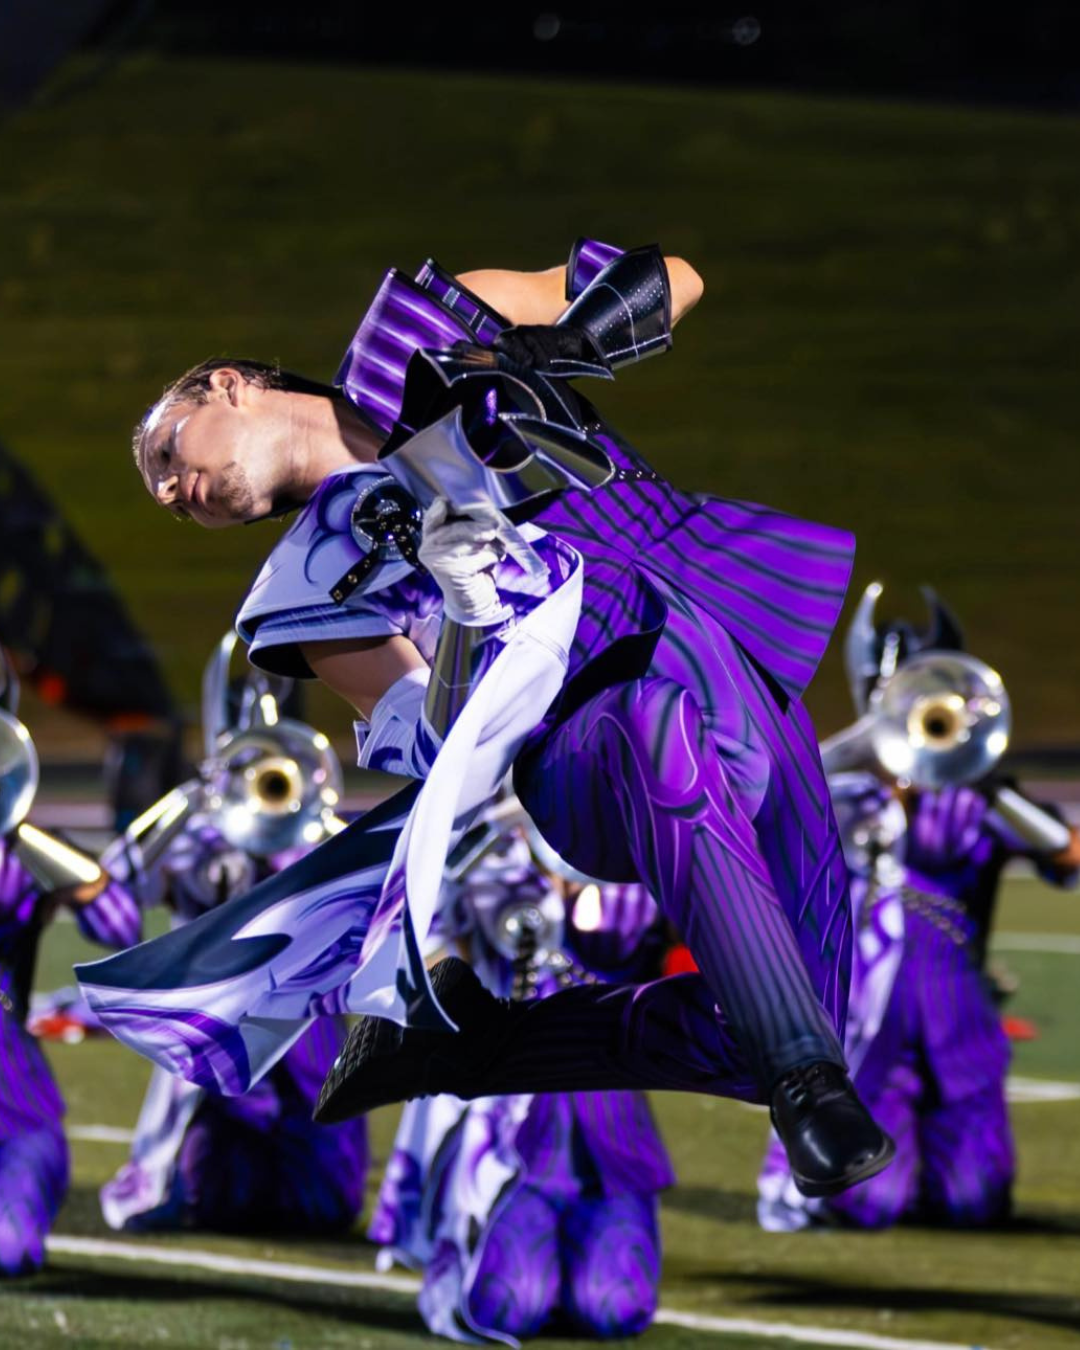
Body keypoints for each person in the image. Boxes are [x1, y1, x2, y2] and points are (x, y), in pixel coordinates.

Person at [84, 238, 892, 1198]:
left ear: (228, 386)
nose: (174, 492)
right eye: (166, 500)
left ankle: (470, 1042)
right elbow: (434, 745)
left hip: (729, 646)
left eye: (168, 455)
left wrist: (561, 349)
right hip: (585, 732)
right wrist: (465, 615)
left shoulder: (419, 331)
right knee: (656, 729)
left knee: (762, 1023)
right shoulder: (297, 592)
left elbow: (678, 276)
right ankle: (804, 1085)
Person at [758, 588, 1079, 1230]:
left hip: (959, 1024)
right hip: (864, 1031)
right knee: (866, 1202)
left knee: (974, 1204)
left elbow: (1068, 855)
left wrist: (986, 782)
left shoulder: (982, 797)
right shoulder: (834, 791)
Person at [97, 637, 368, 1235]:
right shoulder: (191, 820)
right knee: (217, 1198)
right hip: (212, 1035)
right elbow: (111, 894)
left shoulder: (316, 822)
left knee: (322, 1209)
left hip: (306, 1031)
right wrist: (182, 822)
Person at [372, 808, 673, 1341]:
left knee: (615, 1309)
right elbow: (416, 963)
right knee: (506, 1308)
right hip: (511, 1127)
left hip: (608, 1117)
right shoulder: (484, 855)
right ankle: (475, 1250)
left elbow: (684, 961)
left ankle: (565, 1263)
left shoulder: (644, 852)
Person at [0, 652, 140, 1274]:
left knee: (10, 1249)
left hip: (8, 1091)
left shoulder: (24, 854)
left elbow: (122, 926)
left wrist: (26, 838)